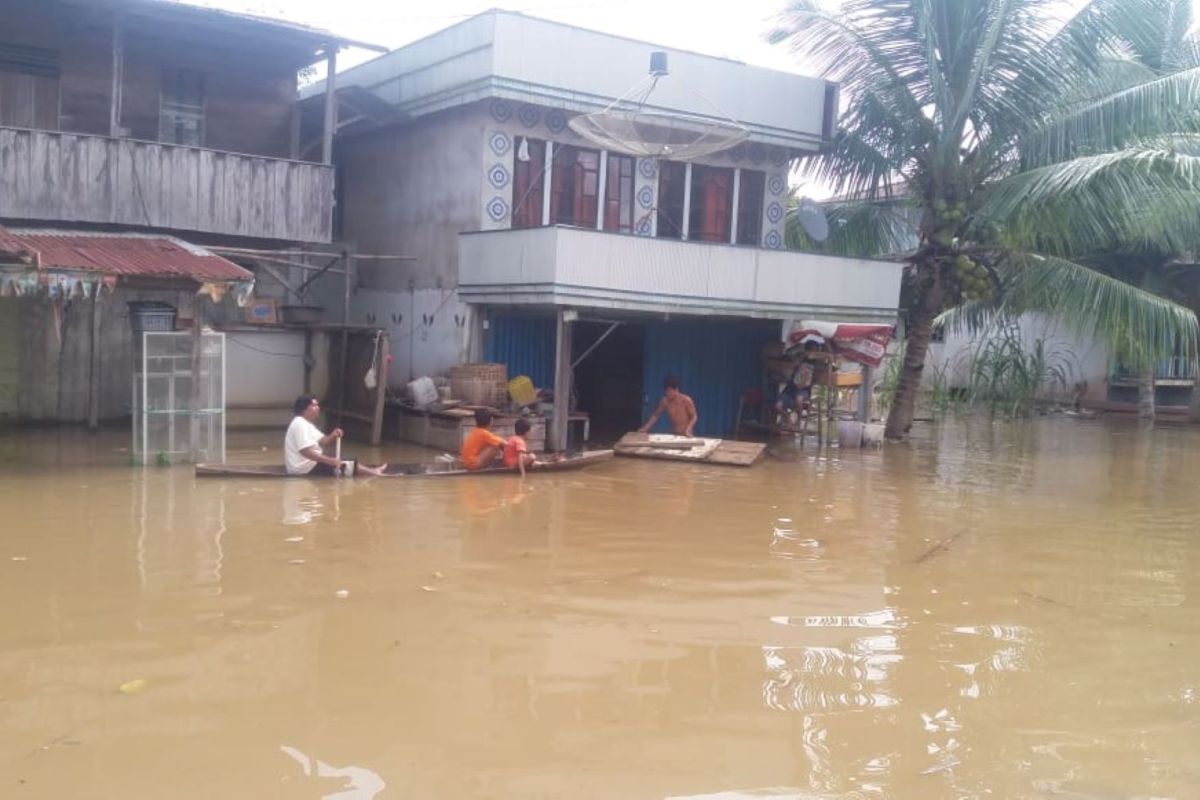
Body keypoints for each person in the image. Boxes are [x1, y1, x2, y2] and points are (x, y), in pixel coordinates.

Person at [284, 394, 387, 477]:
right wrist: (329, 461)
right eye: (314, 405)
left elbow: (324, 440)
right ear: (304, 409)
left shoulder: (306, 423)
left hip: (309, 465)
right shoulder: (299, 423)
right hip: (304, 469)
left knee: (341, 457)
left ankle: (372, 471)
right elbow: (305, 452)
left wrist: (333, 435)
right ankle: (374, 473)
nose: (318, 408)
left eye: (317, 405)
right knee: (347, 462)